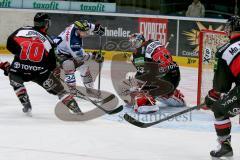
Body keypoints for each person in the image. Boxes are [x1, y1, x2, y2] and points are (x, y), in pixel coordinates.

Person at [0, 13, 81, 115]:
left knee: (13, 74)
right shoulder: (49, 40)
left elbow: (9, 44)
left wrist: (21, 54)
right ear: (46, 24)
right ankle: (76, 109)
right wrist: (51, 70)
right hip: (40, 73)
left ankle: (26, 104)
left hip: (19, 69)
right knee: (60, 91)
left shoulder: (22, 29)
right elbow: (52, 64)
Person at [204, 15, 240, 158]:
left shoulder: (225, 50)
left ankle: (225, 145)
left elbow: (221, 85)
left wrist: (211, 97)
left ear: (230, 29)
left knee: (219, 110)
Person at [126, 33, 185, 114]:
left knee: (140, 80)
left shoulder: (139, 53)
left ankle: (147, 102)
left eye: (134, 42)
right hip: (174, 75)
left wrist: (140, 89)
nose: (133, 45)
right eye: (132, 43)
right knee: (143, 78)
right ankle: (171, 94)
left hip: (164, 78)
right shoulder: (153, 41)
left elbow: (143, 73)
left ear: (140, 41)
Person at [53, 20, 105, 95]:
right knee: (69, 65)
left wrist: (96, 28)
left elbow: (88, 25)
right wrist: (94, 56)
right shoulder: (73, 41)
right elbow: (79, 57)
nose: (86, 33)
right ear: (78, 30)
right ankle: (72, 89)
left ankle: (90, 88)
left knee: (84, 68)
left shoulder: (77, 26)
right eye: (84, 32)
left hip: (68, 50)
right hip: (60, 53)